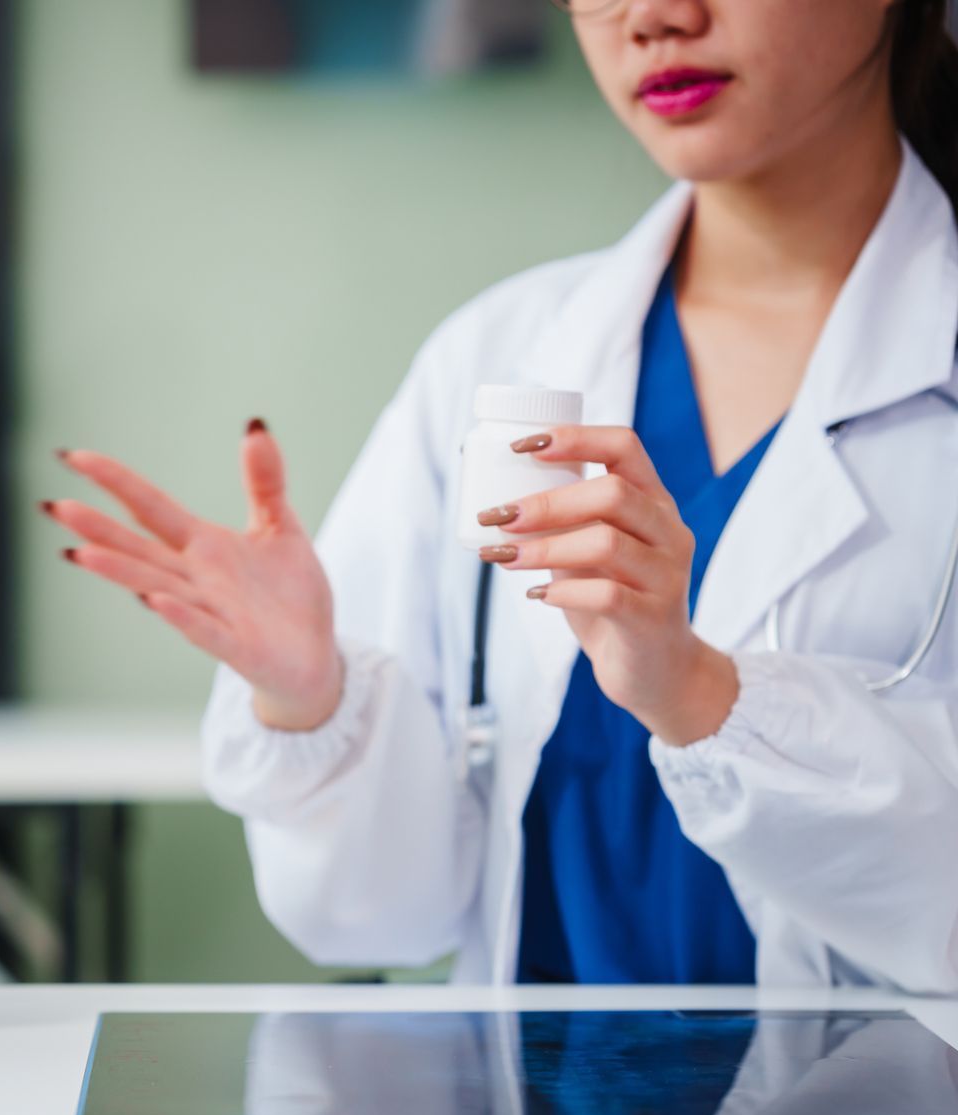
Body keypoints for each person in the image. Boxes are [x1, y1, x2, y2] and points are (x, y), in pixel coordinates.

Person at [49, 0, 958, 993]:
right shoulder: (500, 356)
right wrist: (310, 702)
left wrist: (699, 694)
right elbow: (382, 914)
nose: (655, 18)